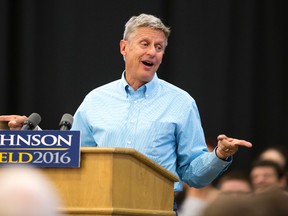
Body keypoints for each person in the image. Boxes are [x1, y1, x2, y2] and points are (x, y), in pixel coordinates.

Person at [0, 13, 252, 201]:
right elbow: (70, 157)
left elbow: (193, 176)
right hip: (99, 206)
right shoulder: (96, 100)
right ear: (124, 47)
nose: (153, 52)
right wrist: (31, 135)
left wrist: (220, 154)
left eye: (159, 47)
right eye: (145, 44)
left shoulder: (181, 103)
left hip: (157, 207)